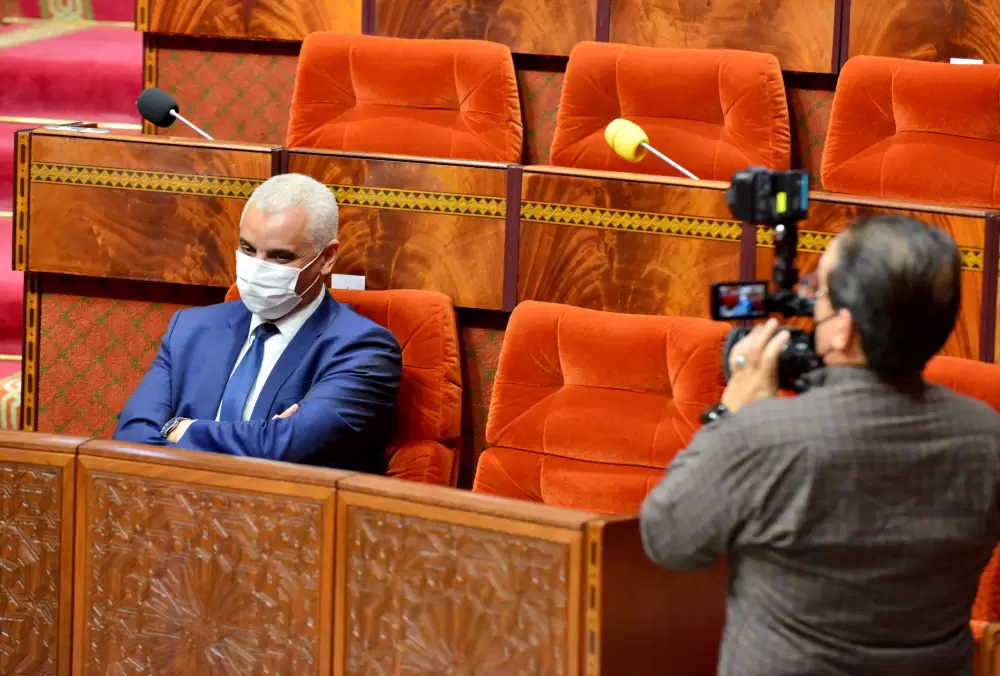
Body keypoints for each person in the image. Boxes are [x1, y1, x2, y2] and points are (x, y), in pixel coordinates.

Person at [640, 214, 1000, 676]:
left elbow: (668, 539)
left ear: (843, 330)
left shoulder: (761, 436)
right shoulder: (987, 435)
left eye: (820, 293)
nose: (811, 304)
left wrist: (730, 415)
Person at [113, 173, 402, 473]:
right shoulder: (190, 329)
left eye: (280, 257)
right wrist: (264, 435)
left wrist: (180, 429)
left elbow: (284, 446)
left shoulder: (363, 349)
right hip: (174, 507)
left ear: (326, 258)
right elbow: (131, 437)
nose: (257, 268)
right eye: (248, 250)